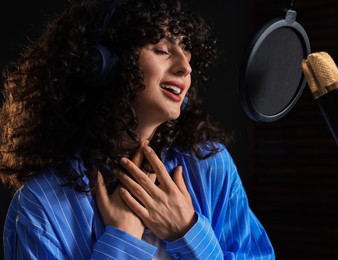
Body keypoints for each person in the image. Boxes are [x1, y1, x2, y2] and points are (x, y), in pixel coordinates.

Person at [0, 0, 275, 258]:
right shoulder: (40, 210)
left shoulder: (210, 166)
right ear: (104, 64)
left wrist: (188, 233)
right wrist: (121, 242)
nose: (185, 67)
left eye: (186, 49)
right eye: (162, 50)